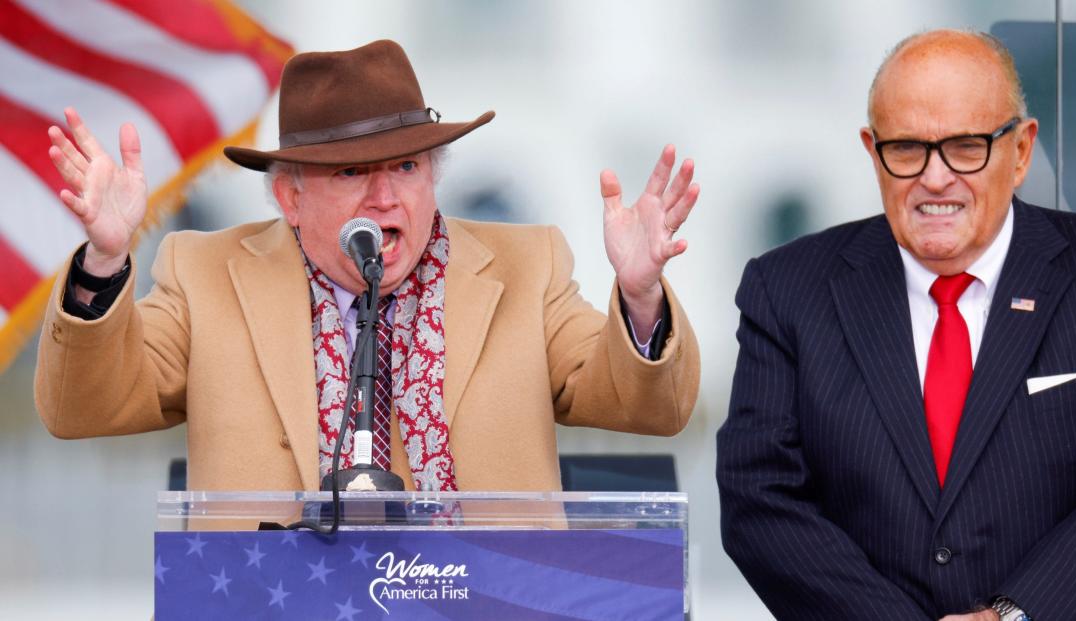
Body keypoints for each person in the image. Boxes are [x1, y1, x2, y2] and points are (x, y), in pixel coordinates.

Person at [34, 39, 700, 494]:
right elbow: (79, 408)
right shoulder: (204, 272)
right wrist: (105, 258)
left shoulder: (529, 267)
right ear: (291, 196)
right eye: (353, 172)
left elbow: (650, 406)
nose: (387, 197)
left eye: (407, 167)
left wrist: (641, 296)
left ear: (433, 175)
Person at [717, 29, 1076, 621]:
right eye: (906, 149)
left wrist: (1014, 615)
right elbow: (758, 497)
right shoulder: (786, 290)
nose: (935, 178)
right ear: (873, 151)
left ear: (1021, 151)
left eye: (966, 147)